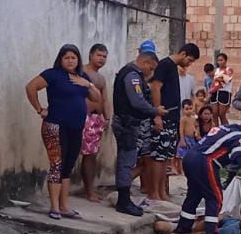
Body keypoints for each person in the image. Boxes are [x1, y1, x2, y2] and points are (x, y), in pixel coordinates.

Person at [26, 45, 100, 220]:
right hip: (55, 126)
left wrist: (88, 84)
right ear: (60, 59)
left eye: (73, 57)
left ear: (78, 60)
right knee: (57, 165)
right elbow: (31, 87)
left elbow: (97, 98)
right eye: (66, 57)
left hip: (76, 127)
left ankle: (65, 206)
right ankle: (54, 207)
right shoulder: (52, 75)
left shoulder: (82, 77)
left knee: (68, 166)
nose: (70, 60)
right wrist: (39, 109)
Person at [170, 120, 241, 234]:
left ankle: (183, 226)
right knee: (215, 197)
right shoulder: (239, 137)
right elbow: (239, 154)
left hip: (190, 157)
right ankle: (211, 232)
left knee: (193, 195)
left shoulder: (226, 129)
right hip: (205, 162)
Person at [141, 42, 201, 202]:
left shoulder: (172, 67)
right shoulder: (165, 65)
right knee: (157, 157)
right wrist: (157, 114)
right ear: (183, 53)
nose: (189, 64)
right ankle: (154, 191)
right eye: (190, 60)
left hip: (172, 118)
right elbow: (155, 87)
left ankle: (161, 191)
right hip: (163, 117)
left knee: (165, 157)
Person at [111, 42, 160, 215]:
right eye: (151, 68)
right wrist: (155, 111)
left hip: (128, 123)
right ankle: (123, 201)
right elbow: (137, 101)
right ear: (146, 63)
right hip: (126, 124)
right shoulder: (132, 75)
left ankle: (124, 198)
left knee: (127, 160)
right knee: (126, 161)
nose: (151, 72)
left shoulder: (131, 73)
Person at [80, 43, 110, 202]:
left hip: (95, 120)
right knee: (70, 155)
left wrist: (107, 118)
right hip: (81, 118)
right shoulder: (82, 72)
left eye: (104, 56)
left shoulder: (101, 78)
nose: (102, 59)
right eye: (99, 55)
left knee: (91, 156)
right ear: (91, 55)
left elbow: (105, 99)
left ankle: (89, 190)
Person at [211, 52, 234, 126]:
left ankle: (226, 129)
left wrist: (218, 78)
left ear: (225, 61)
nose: (220, 62)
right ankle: (216, 130)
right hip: (215, 92)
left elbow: (226, 80)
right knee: (214, 113)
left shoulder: (229, 70)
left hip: (224, 93)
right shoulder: (217, 70)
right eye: (219, 60)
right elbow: (214, 82)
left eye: (222, 60)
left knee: (221, 114)